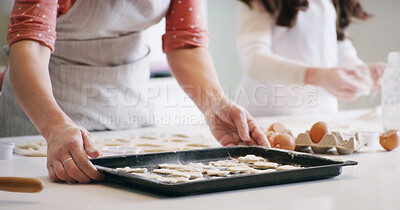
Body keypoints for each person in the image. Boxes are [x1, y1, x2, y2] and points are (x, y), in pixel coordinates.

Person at [1, 0, 270, 183]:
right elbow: (31, 45)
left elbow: (185, 43)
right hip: (43, 116)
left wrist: (215, 105)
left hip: (129, 111)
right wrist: (53, 126)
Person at [235, 0, 385, 117]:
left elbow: (338, 49)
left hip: (322, 116)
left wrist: (362, 72)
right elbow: (253, 59)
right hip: (268, 117)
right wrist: (317, 76)